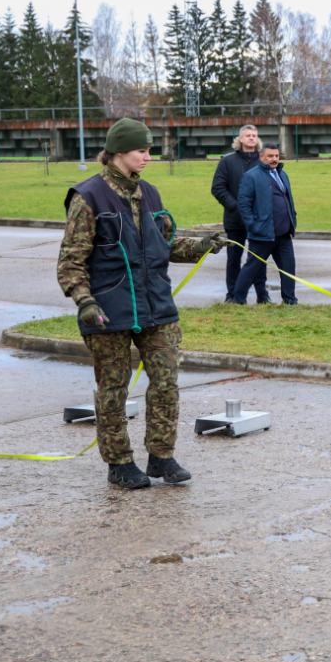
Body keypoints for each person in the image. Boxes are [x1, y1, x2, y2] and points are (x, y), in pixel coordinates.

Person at [57, 117, 224, 490]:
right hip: (108, 311)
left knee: (166, 383)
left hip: (156, 306)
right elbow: (70, 262)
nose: (149, 157)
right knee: (113, 390)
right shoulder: (88, 197)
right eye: (142, 151)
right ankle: (119, 463)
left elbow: (165, 244)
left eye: (149, 150)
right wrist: (85, 302)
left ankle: (161, 457)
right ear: (119, 152)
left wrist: (201, 245)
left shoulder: (150, 193)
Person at [232, 143, 299, 306]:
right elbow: (244, 205)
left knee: (288, 268)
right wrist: (253, 227)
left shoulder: (282, 174)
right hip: (262, 234)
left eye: (276, 156)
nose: (274, 159)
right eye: (270, 156)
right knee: (252, 268)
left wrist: (292, 218)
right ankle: (238, 300)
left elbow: (287, 199)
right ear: (261, 156)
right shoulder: (251, 176)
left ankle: (290, 301)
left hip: (284, 233)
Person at [210, 123, 268, 304]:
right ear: (240, 139)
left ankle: (262, 295)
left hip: (259, 220)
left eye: (254, 135)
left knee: (258, 258)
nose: (251, 138)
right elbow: (218, 188)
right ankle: (232, 295)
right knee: (234, 259)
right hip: (235, 220)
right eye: (248, 135)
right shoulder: (227, 161)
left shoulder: (264, 161)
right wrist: (236, 207)